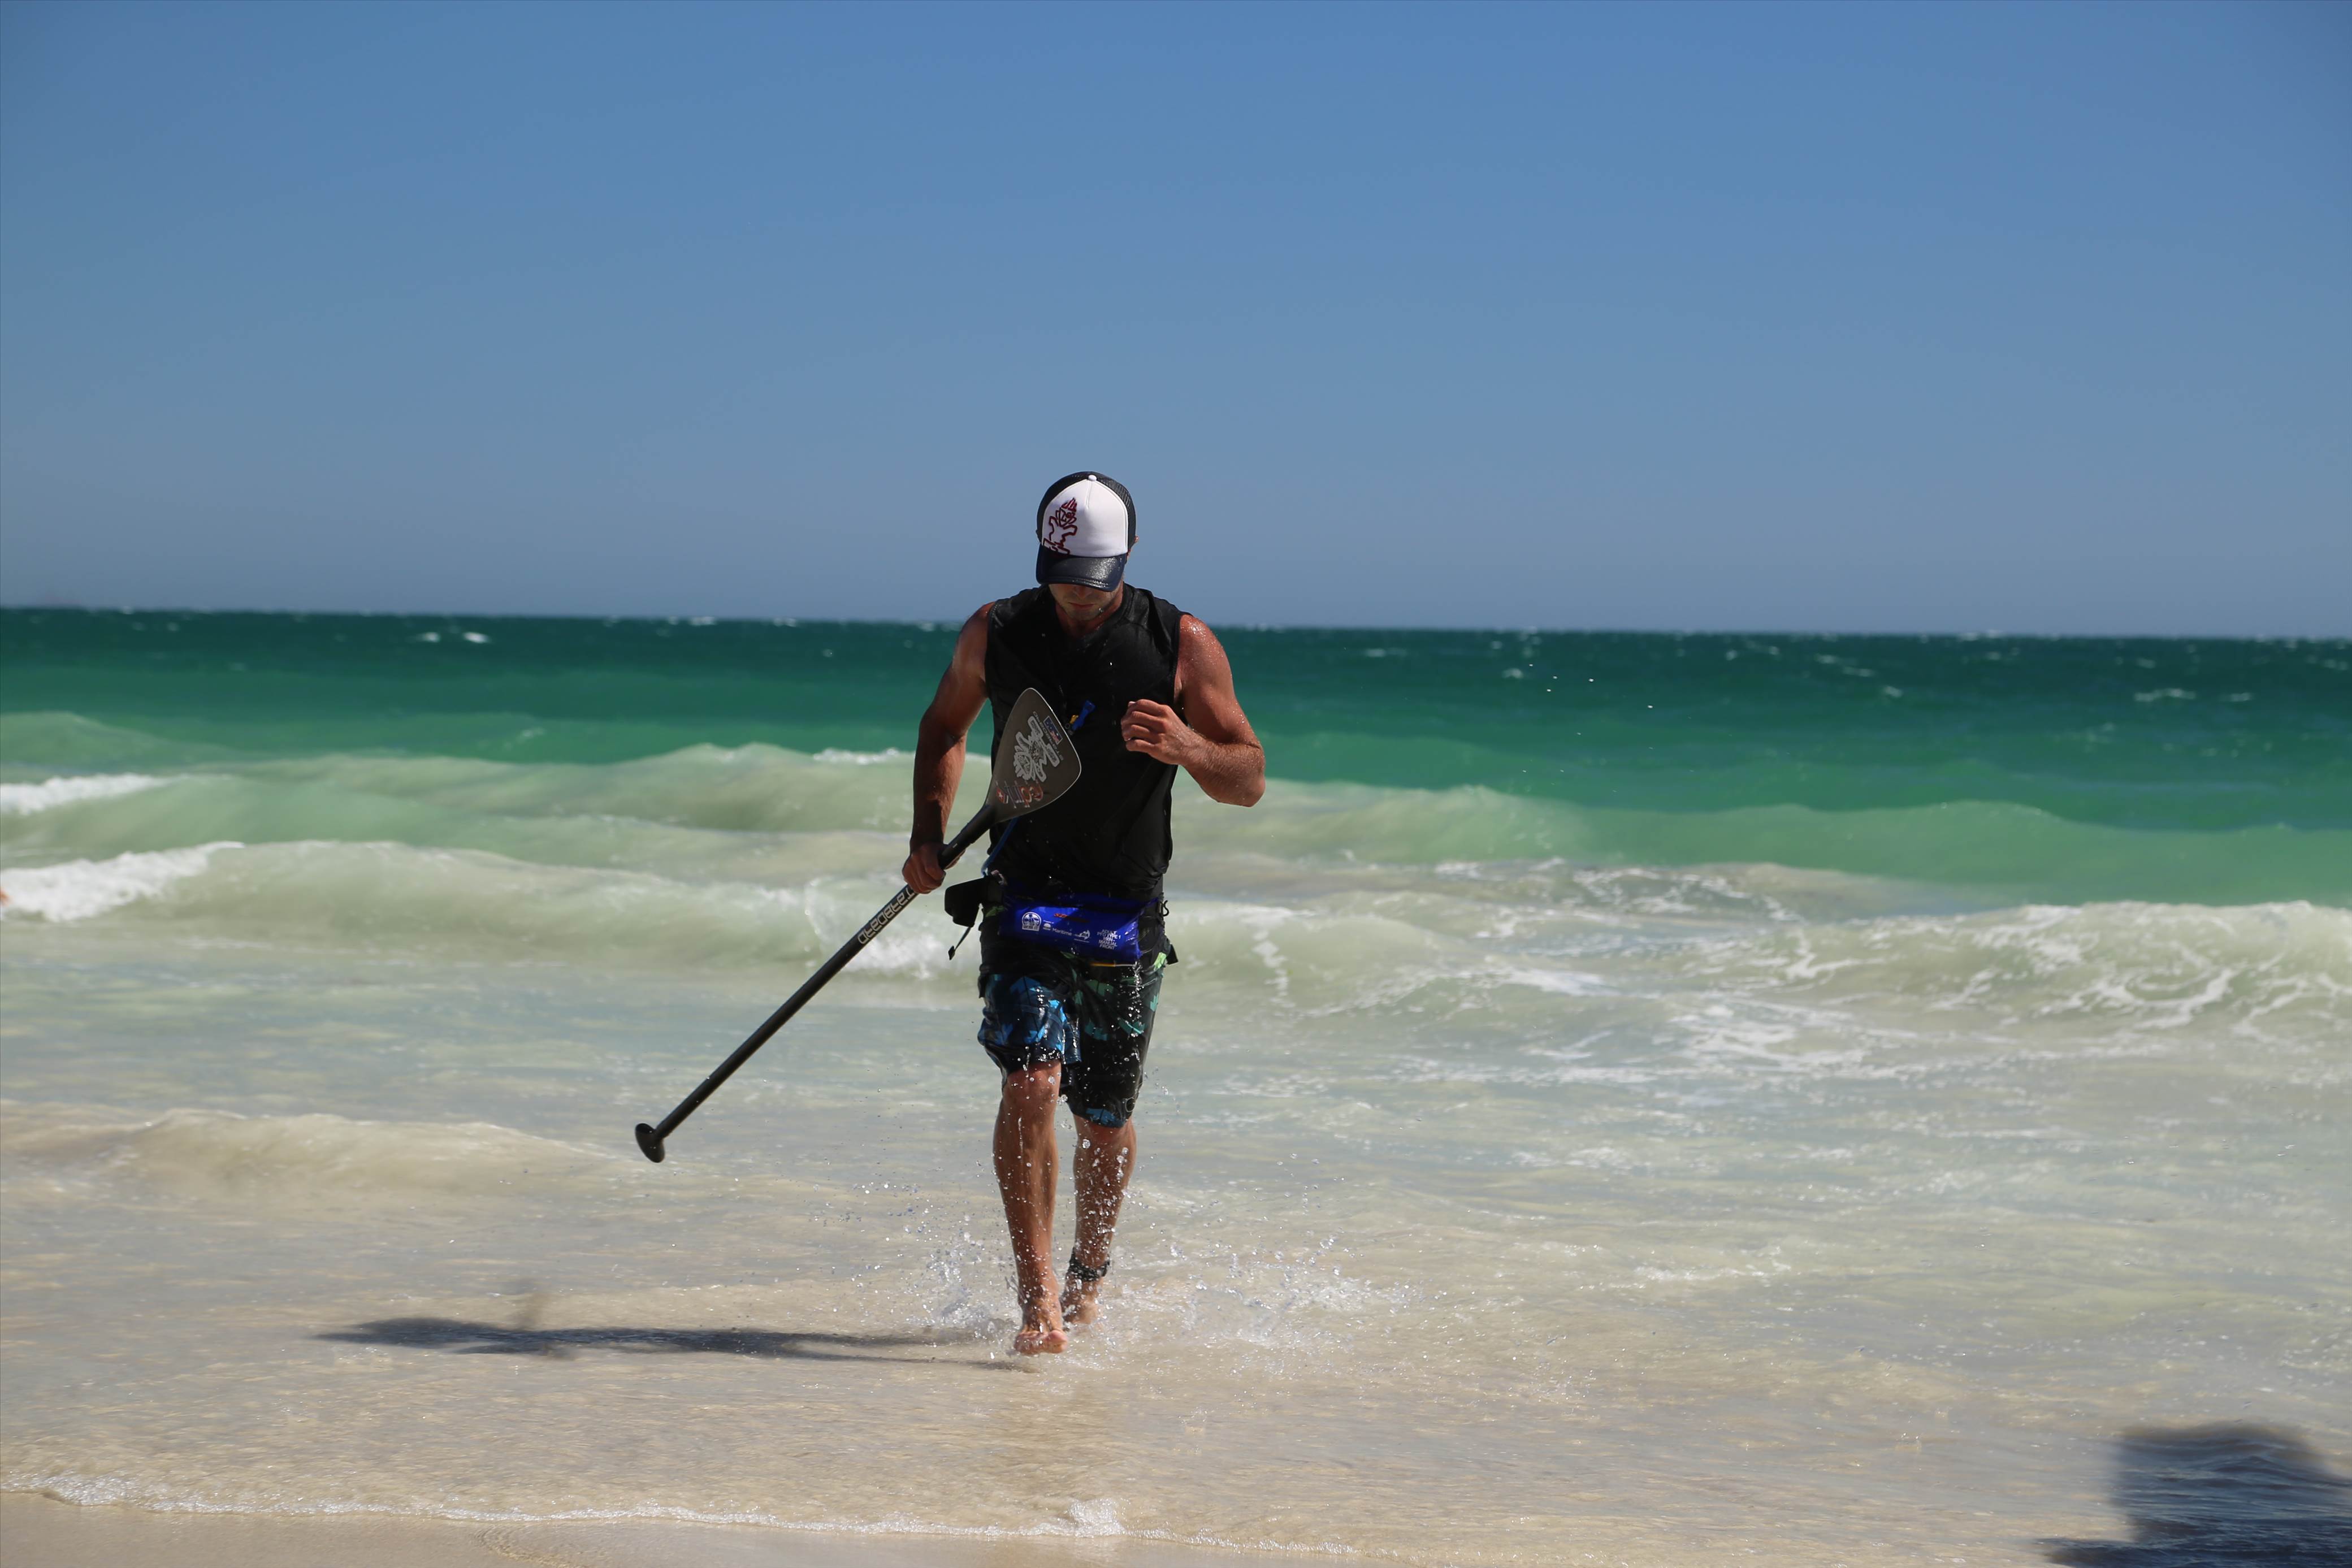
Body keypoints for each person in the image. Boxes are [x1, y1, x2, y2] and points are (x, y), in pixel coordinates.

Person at [902, 472, 1264, 1355]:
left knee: (1103, 1117)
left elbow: (1247, 777)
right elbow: (944, 727)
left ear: (1127, 557)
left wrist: (1186, 745)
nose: (1076, 597)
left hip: (1124, 909)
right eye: (1062, 578)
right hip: (1022, 895)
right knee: (1030, 1081)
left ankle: (1087, 1274)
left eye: (1093, 582)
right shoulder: (997, 628)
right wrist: (926, 834)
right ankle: (1038, 1303)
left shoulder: (1179, 641)